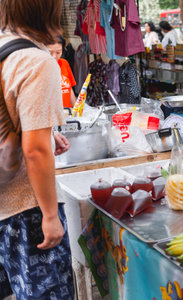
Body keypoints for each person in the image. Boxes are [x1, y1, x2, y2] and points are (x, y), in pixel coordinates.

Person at [0, 0, 74, 299]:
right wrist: (49, 216)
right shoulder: (35, 59)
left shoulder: (3, 44)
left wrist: (41, 131)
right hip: (24, 208)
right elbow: (35, 152)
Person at [47, 36, 77, 108]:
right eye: (50, 52)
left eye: (58, 52)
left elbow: (69, 89)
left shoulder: (64, 63)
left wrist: (76, 108)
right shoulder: (40, 68)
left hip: (67, 111)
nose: (54, 56)